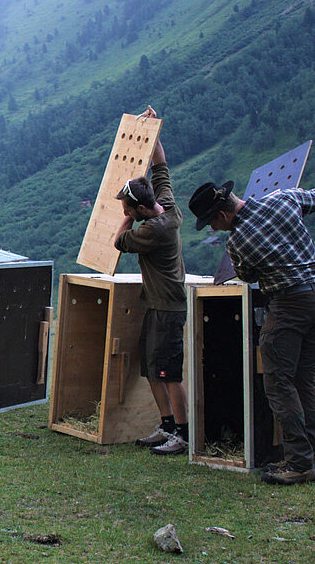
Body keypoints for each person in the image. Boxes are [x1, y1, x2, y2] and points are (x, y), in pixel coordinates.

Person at [189, 177, 315, 485]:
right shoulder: (283, 200)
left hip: (288, 306)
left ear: (224, 215)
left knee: (280, 384)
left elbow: (246, 274)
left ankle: (299, 463)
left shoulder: (238, 242)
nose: (213, 229)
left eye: (212, 222)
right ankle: (310, 455)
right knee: (304, 381)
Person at [112, 105, 189, 455]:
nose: (126, 214)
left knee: (169, 373)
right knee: (153, 369)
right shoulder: (167, 208)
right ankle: (167, 425)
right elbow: (161, 166)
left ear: (140, 210)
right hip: (157, 306)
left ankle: (182, 434)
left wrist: (126, 218)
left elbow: (117, 241)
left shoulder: (152, 230)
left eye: (128, 209)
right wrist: (153, 128)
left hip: (168, 308)